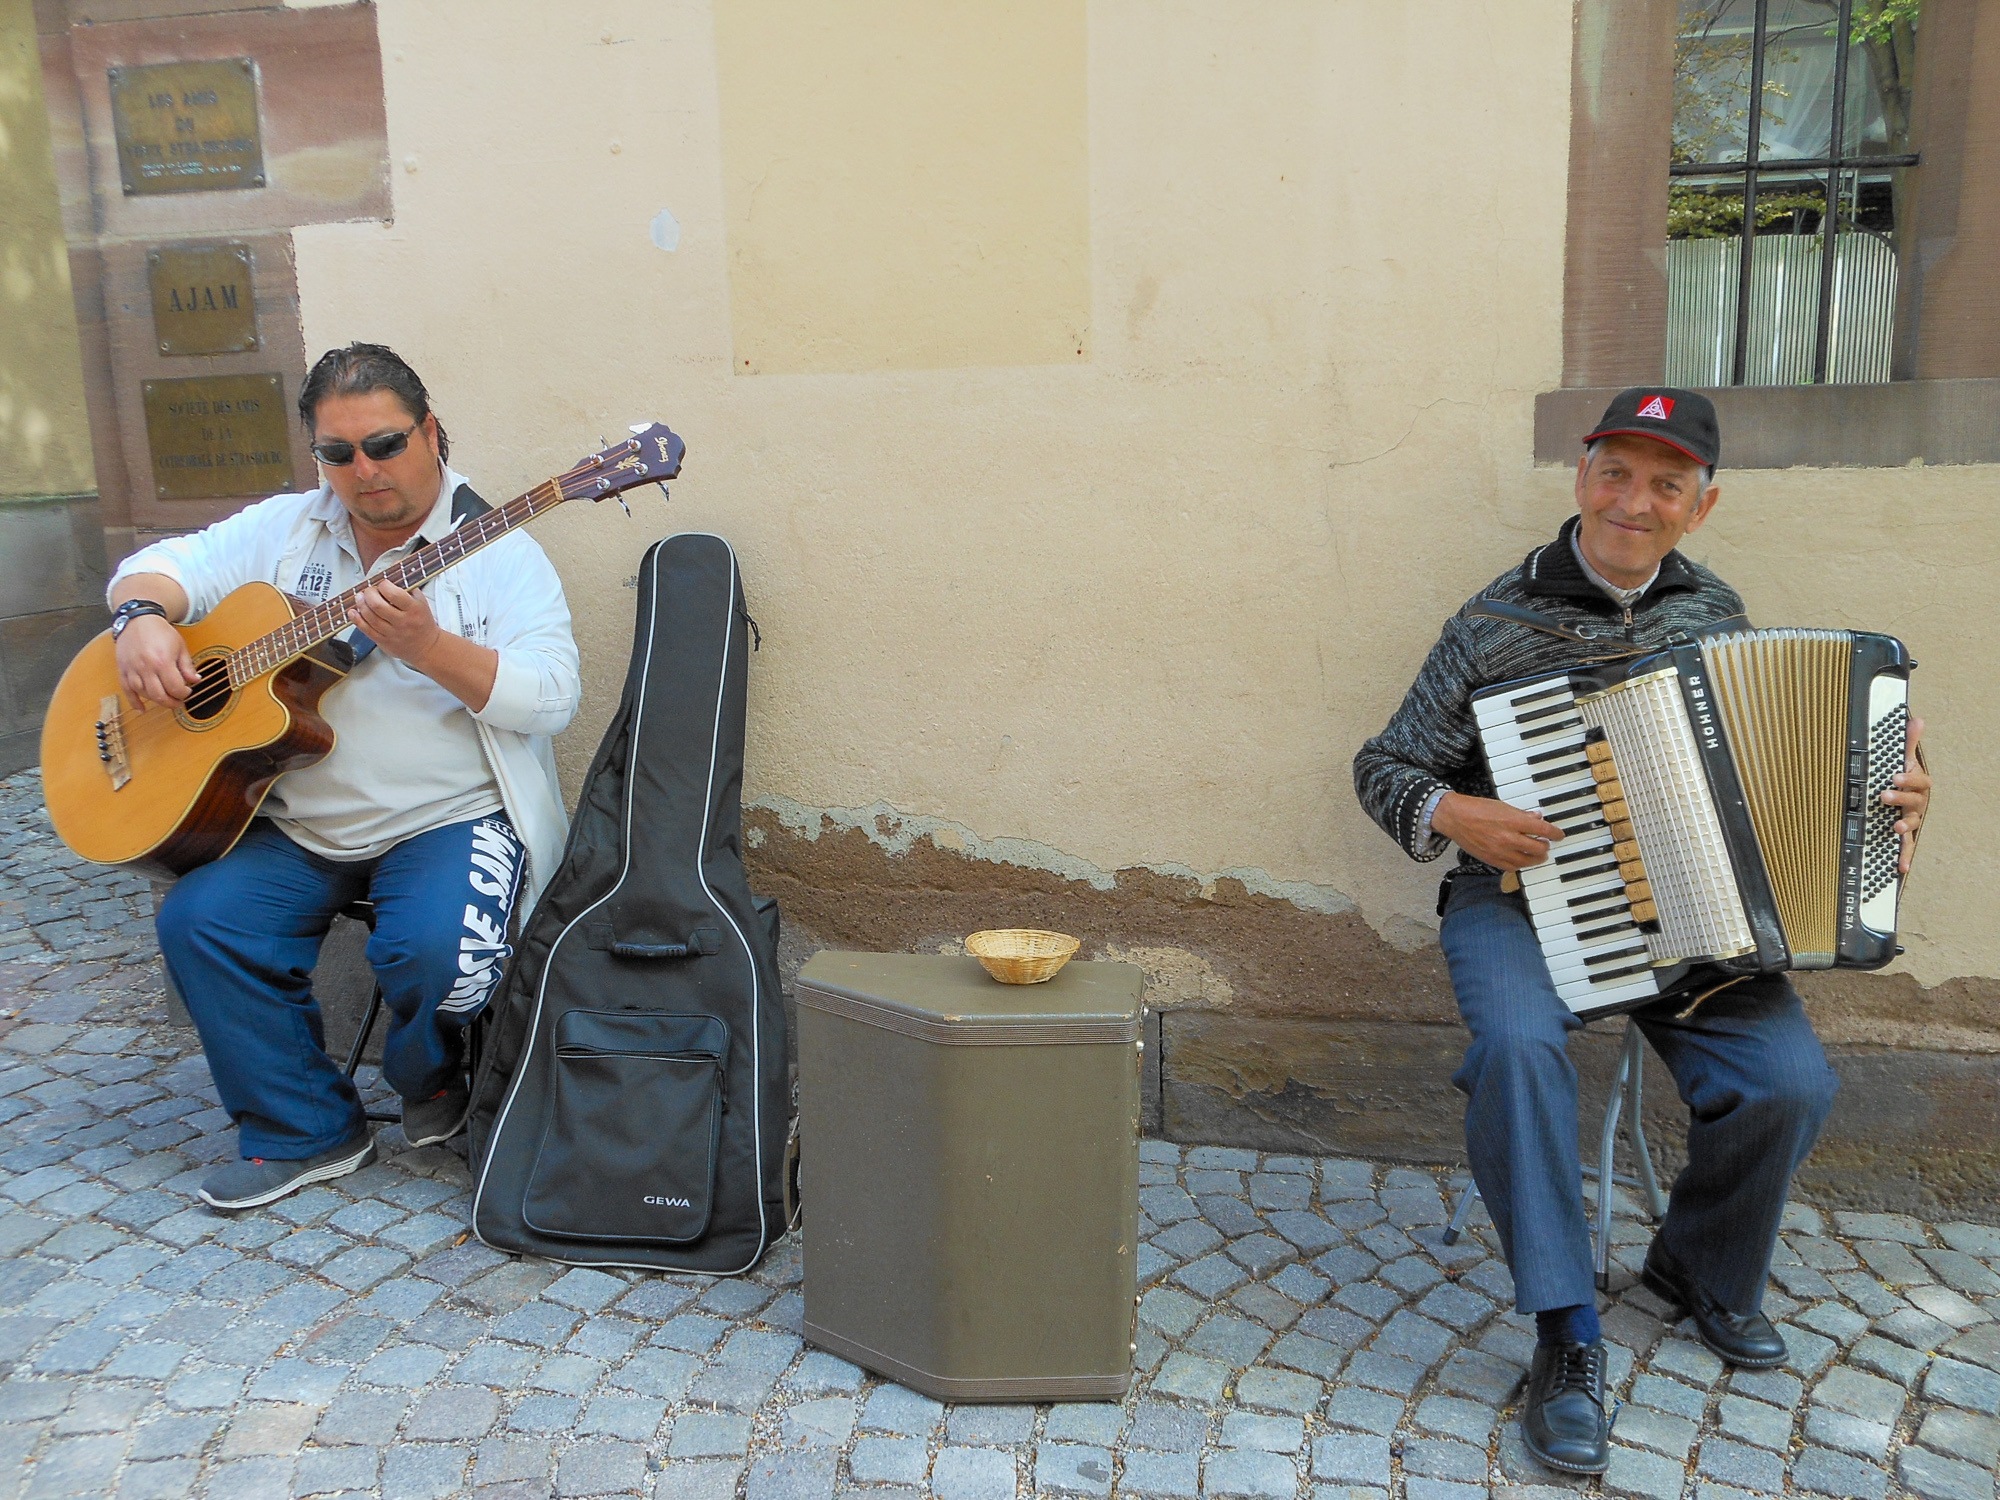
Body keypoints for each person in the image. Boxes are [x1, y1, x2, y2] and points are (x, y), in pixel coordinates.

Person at [1353, 387, 1931, 1475]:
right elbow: (1383, 766)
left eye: (1664, 484)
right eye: (1614, 474)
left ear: (1697, 507)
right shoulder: (1491, 621)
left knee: (1787, 1082)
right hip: (1518, 902)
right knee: (1516, 1052)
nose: (1634, 501)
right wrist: (1454, 811)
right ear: (1580, 480)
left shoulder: (1713, 609)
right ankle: (1565, 1332)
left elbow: (1780, 771)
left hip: (1690, 914)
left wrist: (1888, 798)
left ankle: (1694, 1267)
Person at [107, 343, 581, 1211]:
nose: (363, 471)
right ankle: (306, 1128)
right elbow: (169, 562)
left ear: (432, 432)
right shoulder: (286, 529)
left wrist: (429, 648)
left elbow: (553, 697)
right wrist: (139, 616)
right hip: (296, 820)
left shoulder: (501, 553)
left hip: (450, 816)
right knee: (201, 921)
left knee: (447, 957)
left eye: (386, 444)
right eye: (338, 453)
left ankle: (428, 1073)